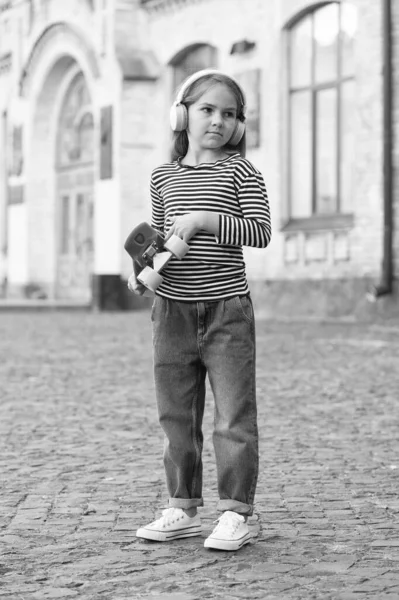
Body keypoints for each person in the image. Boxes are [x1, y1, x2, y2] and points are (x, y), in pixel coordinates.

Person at [128, 69, 272, 551]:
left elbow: (259, 232)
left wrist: (205, 220)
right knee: (176, 417)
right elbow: (161, 242)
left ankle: (237, 513)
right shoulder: (162, 176)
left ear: (239, 124)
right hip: (172, 313)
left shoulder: (242, 172)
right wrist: (142, 268)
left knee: (233, 416)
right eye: (208, 109)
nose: (218, 121)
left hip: (227, 310)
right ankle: (181, 505)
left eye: (229, 114)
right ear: (182, 113)